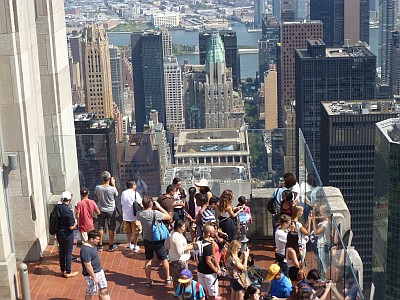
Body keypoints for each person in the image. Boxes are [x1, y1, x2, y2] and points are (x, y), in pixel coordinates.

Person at [137, 196, 172, 287]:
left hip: (147, 239)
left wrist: (143, 206)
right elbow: (168, 216)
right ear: (151, 204)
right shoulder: (155, 213)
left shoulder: (139, 214)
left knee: (148, 259)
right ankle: (168, 278)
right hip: (158, 240)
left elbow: (142, 210)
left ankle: (148, 280)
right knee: (163, 258)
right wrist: (159, 207)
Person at [80, 230, 110, 300]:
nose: (98, 241)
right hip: (91, 275)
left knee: (103, 288)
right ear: (91, 239)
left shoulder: (93, 245)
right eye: (97, 239)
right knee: (90, 292)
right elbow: (88, 265)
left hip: (99, 271)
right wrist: (94, 277)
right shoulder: (85, 250)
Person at [197, 224, 222, 299]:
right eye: (213, 231)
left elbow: (213, 255)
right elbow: (209, 261)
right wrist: (217, 270)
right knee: (212, 295)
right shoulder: (208, 246)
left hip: (200, 270)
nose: (214, 233)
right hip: (209, 274)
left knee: (203, 293)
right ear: (208, 233)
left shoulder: (199, 240)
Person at [95, 171, 118, 252]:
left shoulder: (98, 187)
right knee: (111, 227)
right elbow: (116, 194)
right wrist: (114, 184)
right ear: (109, 179)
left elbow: (97, 194)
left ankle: (100, 245)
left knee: (101, 227)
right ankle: (111, 245)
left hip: (101, 209)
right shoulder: (112, 188)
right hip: (111, 210)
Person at [57, 191, 78, 278]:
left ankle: (62, 270)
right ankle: (68, 271)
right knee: (68, 253)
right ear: (70, 199)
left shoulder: (57, 208)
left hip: (59, 233)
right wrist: (76, 223)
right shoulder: (69, 211)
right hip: (68, 235)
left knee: (61, 251)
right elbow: (71, 227)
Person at [169, 219, 193, 289]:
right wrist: (189, 247)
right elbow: (180, 250)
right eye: (183, 227)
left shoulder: (177, 233)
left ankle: (178, 292)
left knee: (177, 278)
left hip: (177, 259)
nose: (185, 228)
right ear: (179, 228)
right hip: (179, 261)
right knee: (182, 278)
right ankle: (181, 292)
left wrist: (187, 245)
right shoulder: (176, 236)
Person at [120, 179, 142, 252]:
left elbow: (122, 203)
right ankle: (135, 246)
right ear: (133, 185)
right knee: (135, 233)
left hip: (126, 216)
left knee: (128, 232)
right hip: (134, 216)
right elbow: (140, 203)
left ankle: (129, 245)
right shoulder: (135, 194)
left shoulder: (123, 193)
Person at [312, 205, 331, 280]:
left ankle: (328, 282)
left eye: (321, 212)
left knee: (325, 266)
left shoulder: (326, 223)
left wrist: (313, 221)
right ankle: (324, 279)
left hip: (323, 246)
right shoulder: (324, 222)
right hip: (320, 245)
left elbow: (316, 232)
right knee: (322, 265)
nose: (320, 213)